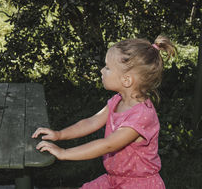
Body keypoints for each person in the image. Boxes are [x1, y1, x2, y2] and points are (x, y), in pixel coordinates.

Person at [32, 35, 177, 188]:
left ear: (126, 80)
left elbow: (108, 145)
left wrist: (64, 153)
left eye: (107, 67)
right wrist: (59, 135)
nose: (102, 70)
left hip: (137, 184)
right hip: (114, 179)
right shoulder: (117, 100)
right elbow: (92, 121)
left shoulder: (142, 116)